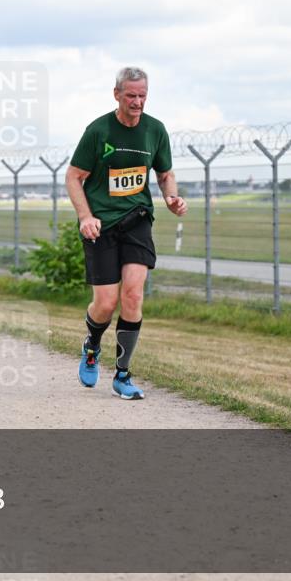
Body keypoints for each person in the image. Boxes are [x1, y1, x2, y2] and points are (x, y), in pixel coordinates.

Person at [66, 67, 187, 400]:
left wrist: (172, 198)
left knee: (133, 295)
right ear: (117, 94)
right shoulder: (99, 130)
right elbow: (74, 177)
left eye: (142, 95)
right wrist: (85, 216)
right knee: (105, 303)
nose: (137, 102)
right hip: (101, 224)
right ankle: (92, 346)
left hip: (137, 220)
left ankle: (122, 374)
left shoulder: (155, 130)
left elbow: (165, 174)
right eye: (131, 95)